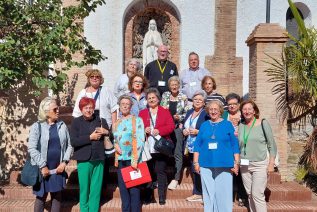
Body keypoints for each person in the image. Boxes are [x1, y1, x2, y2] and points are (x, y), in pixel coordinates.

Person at [193, 100, 240, 212]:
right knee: (208, 194)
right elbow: (197, 145)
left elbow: (234, 144)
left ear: (220, 111)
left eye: (216, 109)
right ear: (208, 112)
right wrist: (196, 162)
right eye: (211, 109)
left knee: (224, 194)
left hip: (225, 164)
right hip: (205, 164)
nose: (213, 112)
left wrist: (236, 162)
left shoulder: (227, 124)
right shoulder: (204, 125)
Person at [28, 97, 73, 212]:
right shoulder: (36, 126)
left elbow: (69, 145)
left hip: (58, 167)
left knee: (57, 197)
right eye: (55, 109)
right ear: (46, 112)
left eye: (58, 108)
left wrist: (64, 162)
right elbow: (32, 148)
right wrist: (42, 166)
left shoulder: (62, 125)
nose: (58, 110)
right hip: (43, 169)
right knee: (41, 197)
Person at [70, 97, 111, 212]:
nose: (88, 110)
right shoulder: (76, 122)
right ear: (81, 109)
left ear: (94, 109)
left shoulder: (101, 120)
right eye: (85, 108)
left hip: (99, 159)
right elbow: (73, 141)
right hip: (84, 160)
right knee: (84, 189)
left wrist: (107, 132)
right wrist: (90, 138)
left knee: (96, 190)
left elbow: (111, 138)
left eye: (90, 108)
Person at [238, 99, 277, 212]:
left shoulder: (263, 123)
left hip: (259, 164)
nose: (247, 111)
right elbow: (240, 145)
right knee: (249, 194)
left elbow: (272, 145)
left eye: (250, 109)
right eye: (244, 109)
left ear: (254, 111)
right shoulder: (241, 125)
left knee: (257, 194)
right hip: (244, 165)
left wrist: (271, 163)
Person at [139, 88, 175, 205]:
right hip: (147, 147)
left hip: (161, 147)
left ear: (158, 99)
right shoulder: (142, 113)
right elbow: (138, 128)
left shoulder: (165, 111)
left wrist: (159, 130)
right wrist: (144, 130)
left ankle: (161, 197)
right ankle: (148, 197)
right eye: (149, 98)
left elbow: (171, 126)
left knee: (160, 171)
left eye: (153, 97)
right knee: (148, 172)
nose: (151, 99)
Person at [113, 95, 145, 212]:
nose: (125, 106)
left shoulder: (137, 120)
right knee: (123, 191)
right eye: (123, 104)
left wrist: (135, 159)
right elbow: (115, 139)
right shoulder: (117, 122)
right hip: (121, 160)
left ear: (131, 106)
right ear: (119, 106)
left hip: (133, 160)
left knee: (134, 191)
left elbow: (141, 139)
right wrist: (115, 145)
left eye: (127, 104)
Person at [160, 76, 189, 190]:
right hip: (166, 128)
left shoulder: (183, 97)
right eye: (172, 84)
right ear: (169, 86)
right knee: (164, 152)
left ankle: (176, 179)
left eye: (176, 84)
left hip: (177, 128)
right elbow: (161, 110)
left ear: (179, 85)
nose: (174, 86)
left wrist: (179, 117)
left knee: (177, 153)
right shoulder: (165, 95)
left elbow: (187, 114)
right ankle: (163, 177)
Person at [183, 91, 210, 202]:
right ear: (192, 102)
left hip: (200, 147)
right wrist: (184, 130)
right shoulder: (189, 111)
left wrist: (198, 131)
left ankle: (200, 193)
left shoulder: (206, 113)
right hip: (189, 146)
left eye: (200, 100)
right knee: (195, 169)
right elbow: (184, 125)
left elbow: (210, 128)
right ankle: (199, 192)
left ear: (204, 103)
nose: (198, 101)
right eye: (195, 99)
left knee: (199, 169)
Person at [225, 93, 247, 206]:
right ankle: (229, 196)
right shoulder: (224, 115)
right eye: (229, 104)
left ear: (239, 104)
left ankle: (241, 196)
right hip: (227, 148)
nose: (232, 106)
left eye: (234, 104)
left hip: (242, 148)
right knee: (228, 172)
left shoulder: (244, 115)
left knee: (241, 172)